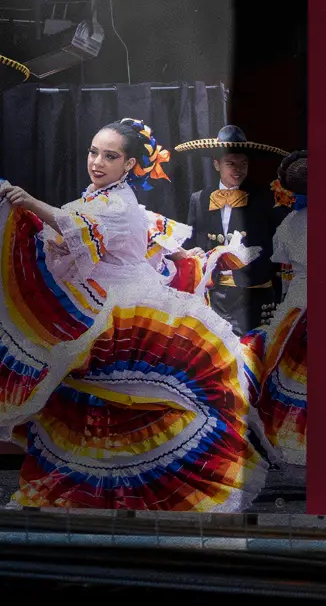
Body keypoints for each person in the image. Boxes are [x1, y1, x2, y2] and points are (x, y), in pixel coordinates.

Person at [0, 119, 269, 511]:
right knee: (95, 404)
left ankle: (141, 494)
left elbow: (71, 226)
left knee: (123, 403)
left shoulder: (117, 203)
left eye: (110, 156)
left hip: (128, 315)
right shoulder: (96, 196)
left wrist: (27, 203)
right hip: (104, 309)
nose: (98, 162)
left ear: (127, 165)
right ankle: (90, 492)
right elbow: (67, 230)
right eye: (94, 152)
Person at [180, 127, 283, 333]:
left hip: (254, 294)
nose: (238, 169)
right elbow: (191, 243)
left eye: (243, 164)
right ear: (216, 164)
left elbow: (278, 244)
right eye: (230, 164)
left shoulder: (265, 197)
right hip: (214, 295)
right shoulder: (199, 199)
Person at [256, 150, 309, 470]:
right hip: (318, 297)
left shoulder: (290, 223)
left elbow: (286, 274)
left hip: (297, 301)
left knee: (291, 374)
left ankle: (294, 443)